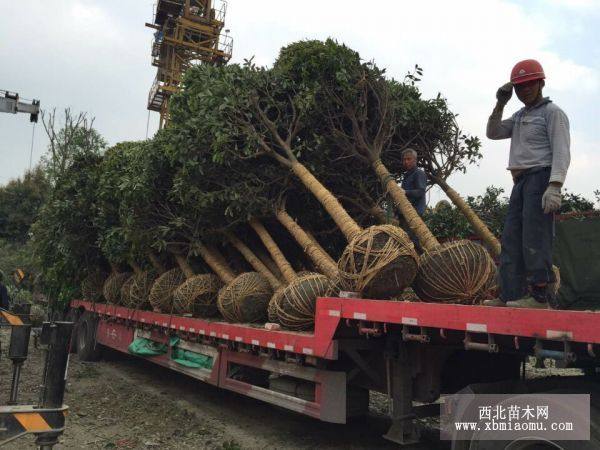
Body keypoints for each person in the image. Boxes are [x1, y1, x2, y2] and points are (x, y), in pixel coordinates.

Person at [484, 59, 570, 309]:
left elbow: (562, 151)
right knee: (511, 239)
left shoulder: (552, 113)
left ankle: (540, 297)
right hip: (520, 181)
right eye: (519, 87)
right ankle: (510, 294)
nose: (524, 91)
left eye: (529, 84)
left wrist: (555, 186)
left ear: (541, 83)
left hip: (540, 178)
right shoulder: (520, 115)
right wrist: (500, 102)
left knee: (536, 238)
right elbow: (493, 131)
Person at [401, 148, 427, 216]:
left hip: (415, 215)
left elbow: (421, 191)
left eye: (409, 159)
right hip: (406, 213)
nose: (406, 162)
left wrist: (405, 192)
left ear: (415, 160)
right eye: (404, 160)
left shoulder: (419, 173)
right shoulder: (406, 176)